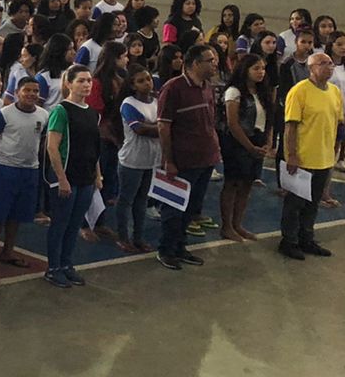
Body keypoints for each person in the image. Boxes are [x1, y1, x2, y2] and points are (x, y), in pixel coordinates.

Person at [156, 43, 221, 270]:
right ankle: (166, 250)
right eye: (210, 60)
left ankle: (181, 247)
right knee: (174, 209)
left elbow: (209, 121)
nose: (215, 64)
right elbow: (164, 127)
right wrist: (169, 160)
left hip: (205, 158)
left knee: (192, 208)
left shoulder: (207, 87)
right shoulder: (173, 88)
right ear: (194, 63)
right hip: (183, 161)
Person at [278, 51, 344, 261]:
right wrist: (292, 155)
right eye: (323, 63)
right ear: (311, 68)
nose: (329, 67)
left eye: (331, 63)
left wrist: (333, 152)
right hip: (303, 158)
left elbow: (335, 123)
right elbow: (291, 126)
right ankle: (288, 241)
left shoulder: (334, 92)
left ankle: (307, 238)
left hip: (324, 158)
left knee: (313, 203)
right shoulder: (299, 92)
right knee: (295, 203)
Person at [44, 66, 102, 289]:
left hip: (85, 176)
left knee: (75, 223)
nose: (86, 85)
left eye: (89, 81)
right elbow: (52, 147)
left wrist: (97, 174)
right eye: (81, 81)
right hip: (66, 176)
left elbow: (94, 147)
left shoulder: (91, 112)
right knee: (60, 223)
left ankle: (67, 264)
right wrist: (61, 177)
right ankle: (53, 268)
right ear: (68, 83)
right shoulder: (61, 111)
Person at [220, 53, 273, 243]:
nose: (261, 72)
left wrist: (267, 142)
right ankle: (226, 226)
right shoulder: (234, 91)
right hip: (237, 142)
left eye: (263, 68)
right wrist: (249, 146)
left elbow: (268, 120)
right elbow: (233, 123)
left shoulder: (262, 93)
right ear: (245, 70)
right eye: (256, 68)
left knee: (247, 184)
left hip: (256, 140)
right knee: (233, 183)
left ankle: (238, 224)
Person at [113, 66, 161, 255]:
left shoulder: (156, 102)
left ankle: (138, 237)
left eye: (148, 79)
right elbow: (139, 129)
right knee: (126, 200)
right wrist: (160, 128)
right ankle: (123, 237)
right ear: (132, 85)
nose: (147, 83)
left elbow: (152, 126)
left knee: (142, 200)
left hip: (150, 159)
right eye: (141, 81)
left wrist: (154, 126)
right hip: (132, 159)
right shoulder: (128, 103)